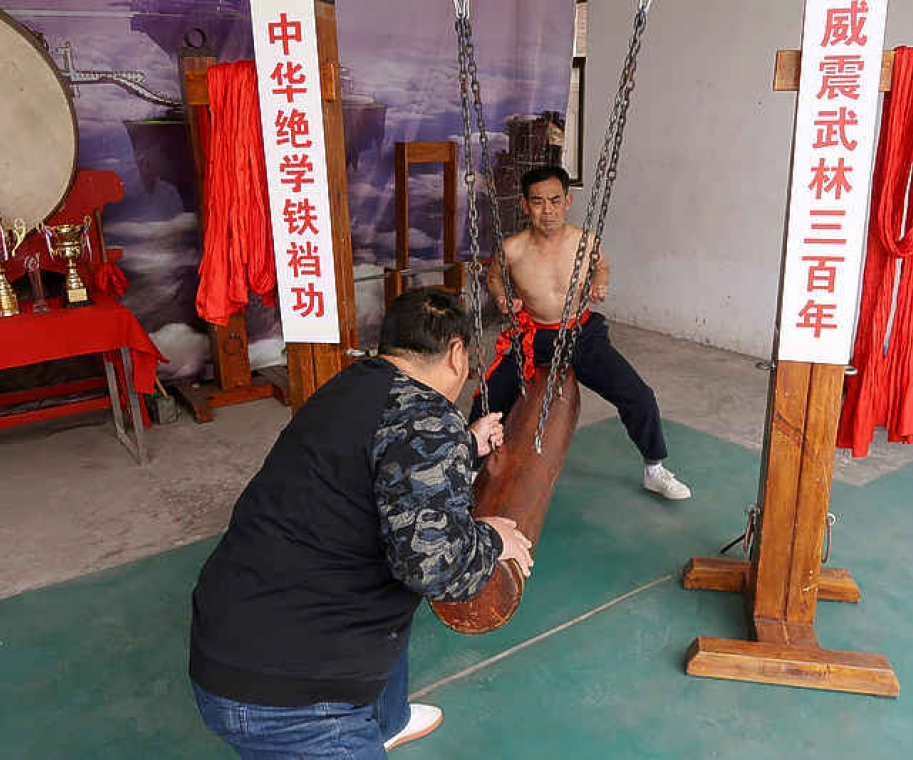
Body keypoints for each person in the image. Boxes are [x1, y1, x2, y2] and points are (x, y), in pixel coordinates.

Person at [190, 288, 534, 759]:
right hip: (288, 701)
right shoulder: (427, 423)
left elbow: (383, 455)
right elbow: (434, 570)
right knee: (409, 561)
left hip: (228, 635)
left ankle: (388, 721)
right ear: (456, 354)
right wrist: (492, 538)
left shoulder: (355, 384)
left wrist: (462, 447)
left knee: (383, 562)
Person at [471, 165, 692, 500]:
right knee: (488, 398)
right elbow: (494, 277)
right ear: (525, 205)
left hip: (580, 334)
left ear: (567, 201)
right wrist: (502, 297)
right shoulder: (513, 248)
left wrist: (600, 282)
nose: (548, 210)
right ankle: (471, 469)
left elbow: (601, 265)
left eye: (555, 201)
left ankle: (654, 468)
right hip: (532, 336)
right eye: (538, 202)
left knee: (639, 396)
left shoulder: (585, 242)